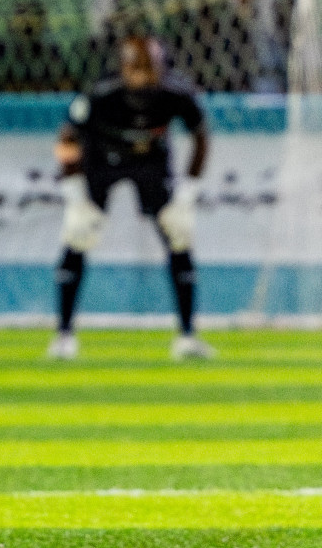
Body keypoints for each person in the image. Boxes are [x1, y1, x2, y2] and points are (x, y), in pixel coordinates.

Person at [51, 35, 215, 361]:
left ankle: (187, 336)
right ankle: (64, 335)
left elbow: (201, 136)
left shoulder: (176, 93)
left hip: (151, 161)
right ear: (124, 69)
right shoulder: (101, 94)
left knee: (178, 236)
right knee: (78, 236)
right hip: (102, 159)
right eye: (136, 69)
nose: (143, 77)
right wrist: (75, 197)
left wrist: (186, 195)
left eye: (149, 69)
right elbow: (67, 138)